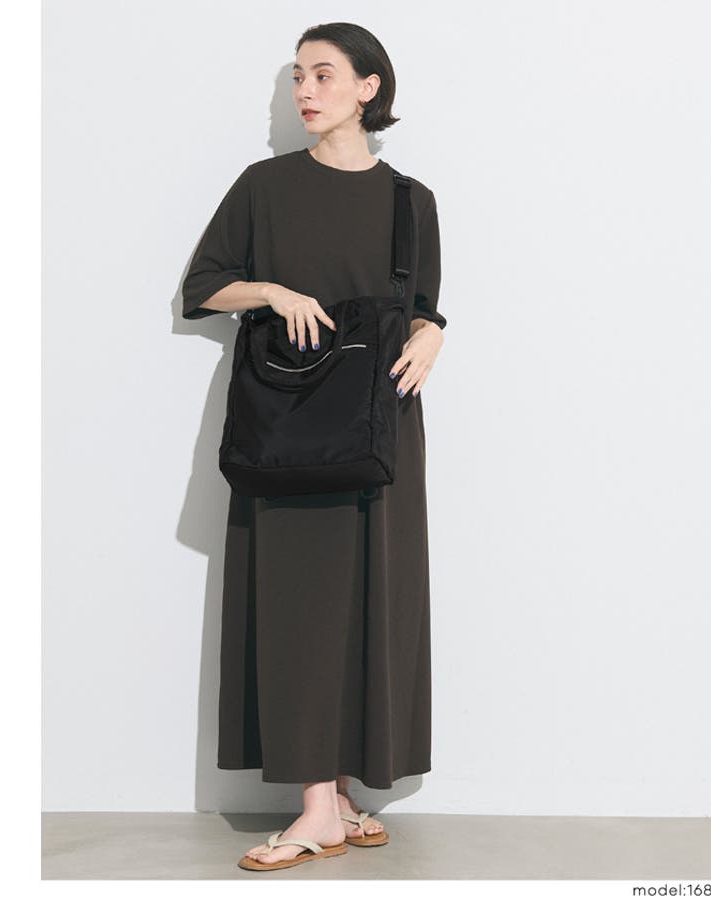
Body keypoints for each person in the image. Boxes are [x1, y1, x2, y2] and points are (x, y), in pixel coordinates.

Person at [180, 23, 446, 871]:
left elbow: (423, 304)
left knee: (372, 598)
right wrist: (271, 289)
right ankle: (317, 807)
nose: (305, 91)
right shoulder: (265, 187)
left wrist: (436, 333)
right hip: (290, 423)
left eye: (324, 75)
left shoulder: (410, 201)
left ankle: (338, 794)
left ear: (370, 88)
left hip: (381, 422)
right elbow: (201, 287)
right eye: (298, 76)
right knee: (298, 602)